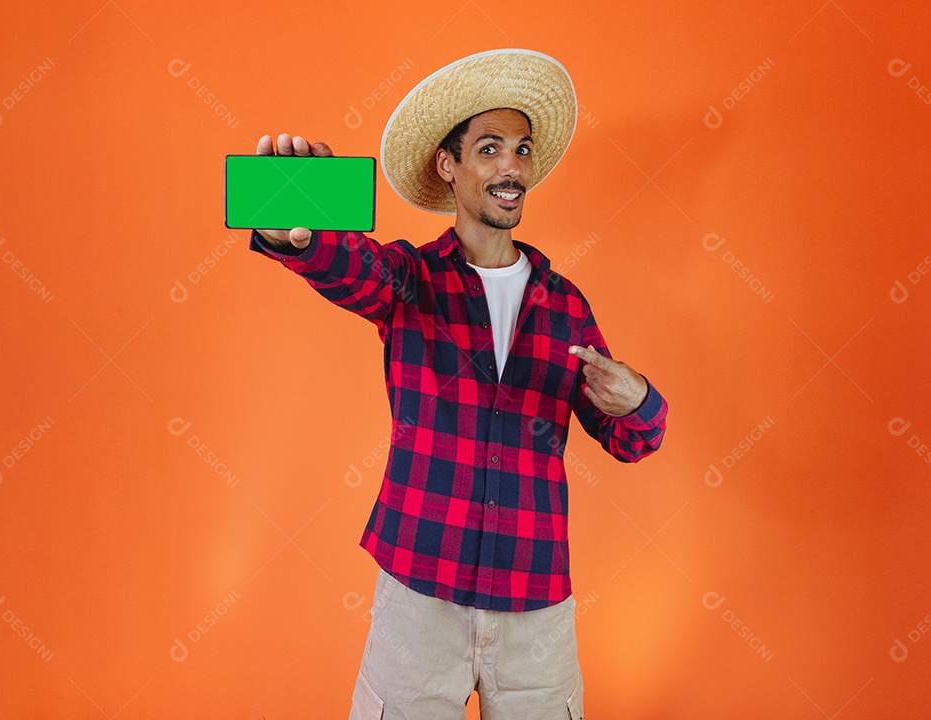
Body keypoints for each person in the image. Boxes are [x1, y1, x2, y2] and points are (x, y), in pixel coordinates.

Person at [247, 48, 668, 720]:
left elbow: (631, 438)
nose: (511, 167)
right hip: (419, 595)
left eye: (522, 150)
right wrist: (296, 239)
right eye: (490, 148)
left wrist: (639, 399)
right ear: (450, 166)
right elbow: (345, 264)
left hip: (536, 607)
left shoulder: (567, 306)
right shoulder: (410, 280)